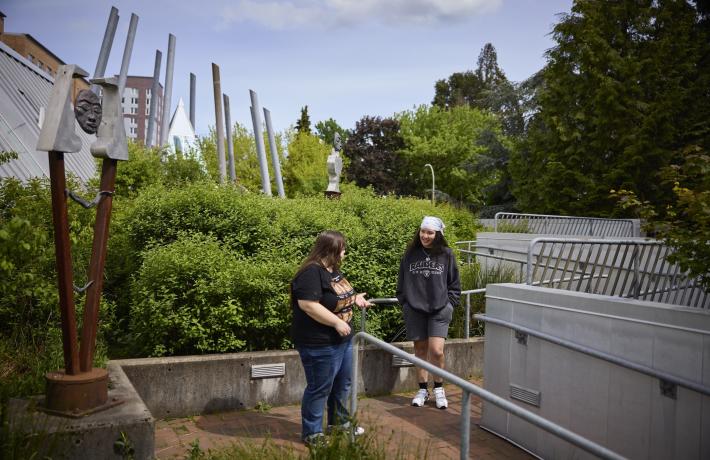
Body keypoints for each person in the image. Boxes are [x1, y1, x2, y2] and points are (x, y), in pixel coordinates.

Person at [291, 230, 371, 444]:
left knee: (342, 384)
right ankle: (312, 433)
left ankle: (339, 424)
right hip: (320, 343)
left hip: (342, 342)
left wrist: (355, 299)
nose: (345, 253)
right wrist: (336, 322)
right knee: (320, 388)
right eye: (343, 249)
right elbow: (308, 304)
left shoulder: (332, 270)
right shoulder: (310, 273)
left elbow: (334, 296)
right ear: (332, 250)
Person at [396, 216, 461, 409]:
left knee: (436, 350)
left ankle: (439, 388)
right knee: (420, 351)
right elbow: (401, 281)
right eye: (423, 231)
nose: (425, 236)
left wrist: (450, 303)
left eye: (430, 233)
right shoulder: (410, 254)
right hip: (415, 310)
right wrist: (405, 302)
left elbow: (454, 283)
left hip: (440, 309)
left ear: (438, 234)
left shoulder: (446, 254)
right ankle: (423, 389)